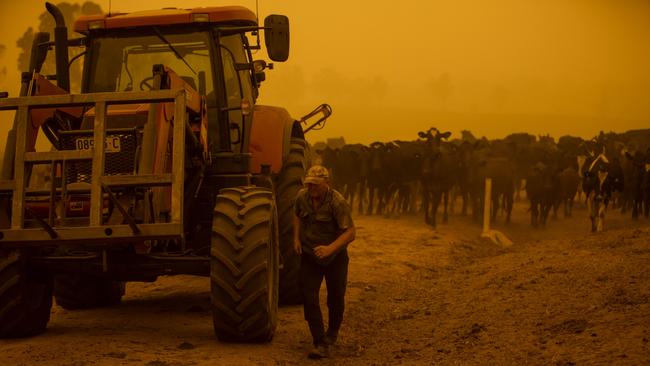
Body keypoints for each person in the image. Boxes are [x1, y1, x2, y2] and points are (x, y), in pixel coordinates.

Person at [293, 165, 356, 359]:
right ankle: (319, 342)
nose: (311, 188)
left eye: (315, 184)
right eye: (309, 184)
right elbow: (296, 215)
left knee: (335, 297)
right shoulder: (302, 197)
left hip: (335, 257)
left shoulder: (337, 202)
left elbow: (350, 232)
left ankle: (332, 333)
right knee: (309, 297)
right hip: (311, 256)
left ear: (326, 183)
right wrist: (296, 238)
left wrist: (330, 249)